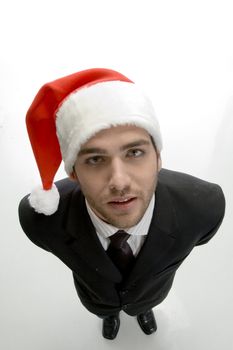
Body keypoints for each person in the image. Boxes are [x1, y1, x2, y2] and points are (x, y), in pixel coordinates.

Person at [18, 68, 225, 340]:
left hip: (151, 294)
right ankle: (109, 316)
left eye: (135, 152)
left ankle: (143, 310)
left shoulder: (203, 207)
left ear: (158, 157)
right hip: (96, 298)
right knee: (105, 309)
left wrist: (146, 301)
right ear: (73, 172)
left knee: (144, 302)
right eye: (94, 159)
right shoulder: (41, 219)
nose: (119, 182)